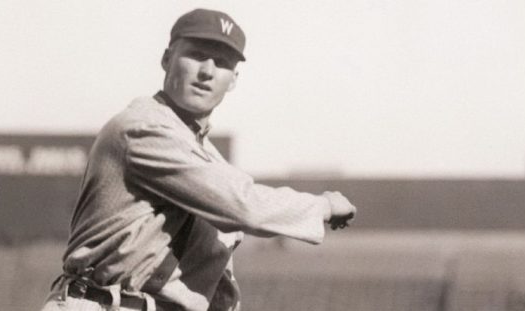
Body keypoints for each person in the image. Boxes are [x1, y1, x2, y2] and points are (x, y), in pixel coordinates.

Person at [41, 8, 357, 311]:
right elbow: (244, 206)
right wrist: (324, 205)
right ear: (167, 59)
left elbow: (217, 274)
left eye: (221, 62)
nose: (207, 71)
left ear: (233, 79)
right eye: (195, 55)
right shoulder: (142, 127)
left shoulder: (206, 158)